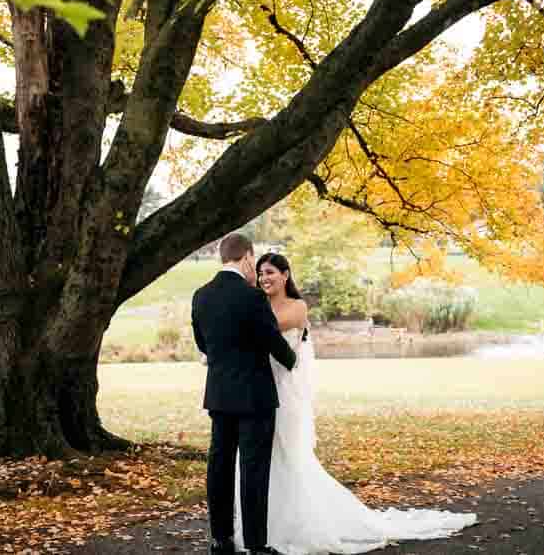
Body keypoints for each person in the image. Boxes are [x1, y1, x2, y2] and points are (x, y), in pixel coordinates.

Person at [232, 252, 477, 554]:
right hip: (258, 394)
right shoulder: (259, 306)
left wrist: (239, 320)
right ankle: (262, 531)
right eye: (260, 273)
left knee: (290, 460)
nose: (264, 278)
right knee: (261, 465)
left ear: (285, 275)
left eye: (269, 272)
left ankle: (300, 526)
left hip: (285, 396)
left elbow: (264, 331)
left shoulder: (296, 307)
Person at [192, 233, 297, 555]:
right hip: (254, 396)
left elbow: (202, 344)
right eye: (255, 264)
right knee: (253, 469)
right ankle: (255, 544)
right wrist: (293, 358)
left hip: (220, 395)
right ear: (248, 257)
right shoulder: (252, 297)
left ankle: (220, 539)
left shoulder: (201, 295)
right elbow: (273, 343)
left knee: (219, 465)